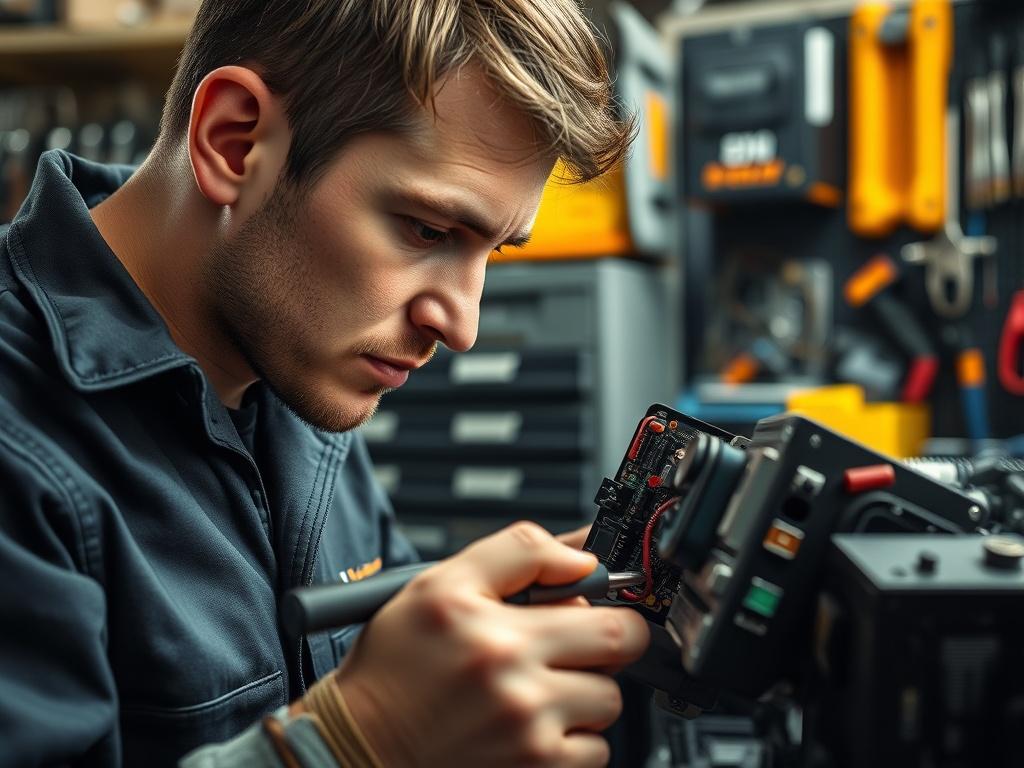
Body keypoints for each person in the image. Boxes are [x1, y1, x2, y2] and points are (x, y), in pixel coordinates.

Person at [0, 1, 650, 766]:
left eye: (494, 250)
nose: (461, 326)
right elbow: (363, 722)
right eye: (428, 230)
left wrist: (503, 640)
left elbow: (368, 647)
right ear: (235, 143)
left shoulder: (293, 365)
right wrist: (351, 739)